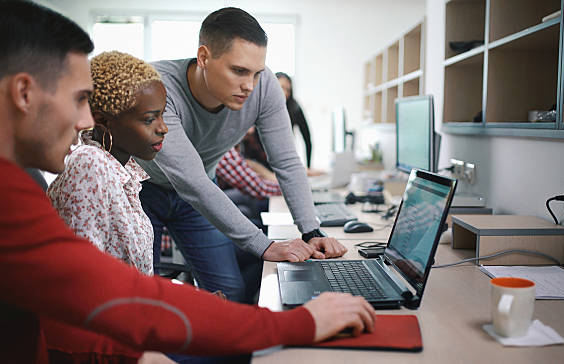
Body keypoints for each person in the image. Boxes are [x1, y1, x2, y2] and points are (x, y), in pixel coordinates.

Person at [0, 2, 376, 363]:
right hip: (157, 199)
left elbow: (121, 289)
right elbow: (114, 296)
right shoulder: (83, 169)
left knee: (225, 299)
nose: (87, 121)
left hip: (158, 215)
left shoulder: (27, 184)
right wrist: (296, 322)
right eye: (80, 99)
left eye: (256, 73)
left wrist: (311, 231)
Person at [137, 7, 347, 303]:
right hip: (143, 192)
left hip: (199, 194)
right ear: (204, 57)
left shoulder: (264, 87)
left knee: (230, 292)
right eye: (238, 71)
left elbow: (286, 161)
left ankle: (213, 348)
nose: (249, 85)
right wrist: (264, 246)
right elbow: (192, 181)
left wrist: (312, 231)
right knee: (141, 298)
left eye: (256, 73)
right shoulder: (158, 89)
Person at [42, 50, 169, 362]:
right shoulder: (90, 166)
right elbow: (86, 288)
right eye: (149, 119)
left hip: (126, 330)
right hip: (95, 346)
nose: (163, 128)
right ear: (103, 121)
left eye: (162, 115)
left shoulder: (124, 172)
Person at [275, 72, 313, 168]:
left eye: (288, 90)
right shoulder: (260, 106)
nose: (284, 93)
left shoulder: (294, 107)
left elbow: (307, 139)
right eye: (281, 87)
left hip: (285, 159)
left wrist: (308, 167)